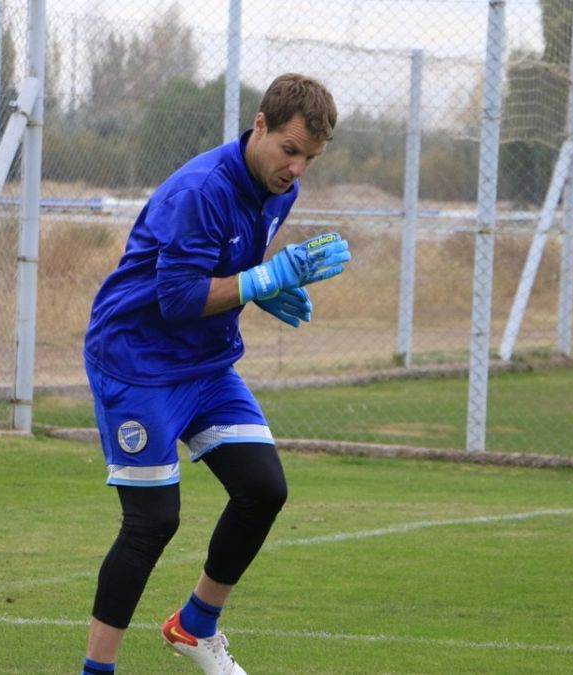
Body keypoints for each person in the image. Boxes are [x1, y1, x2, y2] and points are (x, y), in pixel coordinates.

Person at [79, 73, 349, 675]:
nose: (297, 168)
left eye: (310, 158)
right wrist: (261, 281)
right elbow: (176, 299)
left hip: (205, 363)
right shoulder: (201, 188)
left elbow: (229, 265)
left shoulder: (281, 190)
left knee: (263, 489)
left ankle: (194, 627)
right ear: (260, 125)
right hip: (139, 362)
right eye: (289, 149)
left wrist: (265, 286)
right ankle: (96, 671)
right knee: (152, 522)